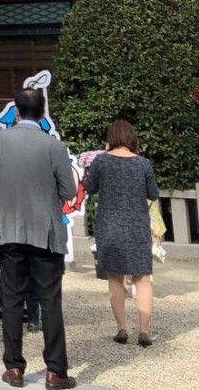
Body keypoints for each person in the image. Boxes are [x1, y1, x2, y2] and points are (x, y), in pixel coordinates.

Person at [0, 88, 79, 390]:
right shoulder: (53, 145)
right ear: (42, 113)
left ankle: (14, 367)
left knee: (12, 297)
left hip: (10, 229)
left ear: (16, 111)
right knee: (50, 300)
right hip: (45, 231)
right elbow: (69, 191)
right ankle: (55, 371)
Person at [83, 119, 160, 348]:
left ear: (111, 137)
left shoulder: (101, 161)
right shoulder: (143, 164)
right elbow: (153, 193)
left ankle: (122, 328)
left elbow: (89, 188)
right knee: (142, 278)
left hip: (109, 226)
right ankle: (144, 330)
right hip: (137, 225)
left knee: (115, 278)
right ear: (131, 138)